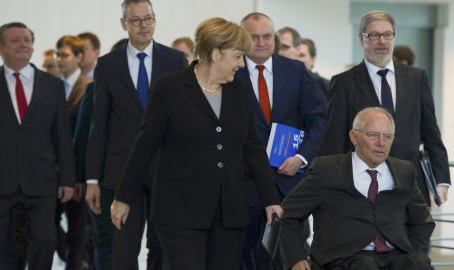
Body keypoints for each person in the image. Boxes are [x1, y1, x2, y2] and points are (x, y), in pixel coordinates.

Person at [111, 17, 283, 270]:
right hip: (180, 210)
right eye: (237, 56)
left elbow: (253, 149)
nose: (240, 64)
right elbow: (144, 146)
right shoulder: (169, 88)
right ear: (215, 54)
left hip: (229, 212)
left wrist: (271, 199)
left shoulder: (241, 91)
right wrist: (123, 197)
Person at [85, 0, 188, 269]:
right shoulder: (107, 64)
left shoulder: (175, 59)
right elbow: (99, 124)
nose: (144, 25)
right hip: (121, 169)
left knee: (162, 246)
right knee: (123, 248)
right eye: (136, 20)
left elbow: (185, 120)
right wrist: (92, 179)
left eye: (149, 18)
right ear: (124, 24)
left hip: (165, 168)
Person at [320, 10, 450, 205]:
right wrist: (333, 185)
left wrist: (441, 179)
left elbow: (431, 131)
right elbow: (335, 140)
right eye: (374, 35)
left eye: (387, 34)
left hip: (410, 185)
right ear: (361, 39)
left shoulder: (416, 78)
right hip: (362, 187)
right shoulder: (343, 83)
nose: (382, 41)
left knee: (416, 235)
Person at [280, 107, 435, 270]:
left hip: (395, 255)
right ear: (354, 137)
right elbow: (289, 214)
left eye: (387, 136)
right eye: (373, 135)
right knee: (364, 266)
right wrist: (296, 258)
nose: (381, 143)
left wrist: (417, 253)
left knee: (419, 264)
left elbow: (422, 222)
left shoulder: (404, 171)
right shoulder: (326, 169)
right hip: (344, 258)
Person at [0, 22, 75, 269]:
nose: (23, 44)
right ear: (0, 47)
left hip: (41, 179)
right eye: (16, 40)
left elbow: (62, 135)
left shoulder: (52, 85)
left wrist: (68, 180)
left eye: (27, 40)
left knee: (44, 240)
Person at [236, 13, 327, 270]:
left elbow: (318, 121)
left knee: (288, 258)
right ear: (243, 38)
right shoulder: (233, 71)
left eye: (267, 36)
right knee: (247, 257)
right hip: (245, 184)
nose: (262, 42)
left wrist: (300, 157)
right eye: (254, 37)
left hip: (288, 183)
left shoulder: (295, 70)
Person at [73, 38, 128, 270]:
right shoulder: (94, 88)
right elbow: (84, 136)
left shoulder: (155, 89)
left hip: (142, 182)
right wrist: (82, 179)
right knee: (107, 243)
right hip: (104, 181)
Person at [55, 34, 93, 269]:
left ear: (79, 57)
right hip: (53, 170)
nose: (60, 59)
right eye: (58, 54)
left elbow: (89, 137)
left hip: (79, 171)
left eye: (65, 54)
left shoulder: (90, 87)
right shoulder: (51, 86)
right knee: (47, 225)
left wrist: (80, 176)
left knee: (78, 229)